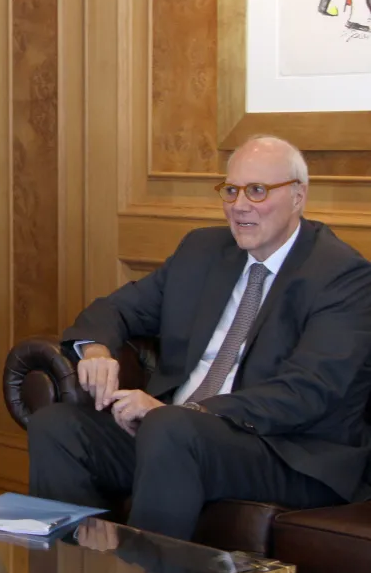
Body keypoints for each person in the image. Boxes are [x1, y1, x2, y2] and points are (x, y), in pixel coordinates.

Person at [27, 135, 371, 541]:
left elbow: (307, 391)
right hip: (175, 434)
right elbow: (116, 308)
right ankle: (75, 572)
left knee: (171, 428)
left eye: (257, 191)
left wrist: (188, 412)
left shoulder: (341, 275)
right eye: (231, 190)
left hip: (286, 450)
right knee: (56, 427)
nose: (239, 205)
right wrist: (96, 351)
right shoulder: (203, 250)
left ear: (298, 196)